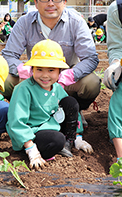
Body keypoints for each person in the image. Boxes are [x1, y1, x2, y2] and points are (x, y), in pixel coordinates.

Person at [1, 0, 100, 124]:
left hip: (65, 81)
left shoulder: (76, 22)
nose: (50, 3)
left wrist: (70, 74)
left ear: (64, 2)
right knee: (5, 80)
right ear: (35, 2)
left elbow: (90, 58)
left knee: (91, 83)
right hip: (34, 76)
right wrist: (25, 71)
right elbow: (9, 55)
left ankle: (74, 109)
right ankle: (27, 108)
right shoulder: (24, 22)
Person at [7, 40, 93, 169]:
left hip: (52, 126)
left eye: (51, 70)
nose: (45, 75)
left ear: (59, 72)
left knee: (70, 103)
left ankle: (71, 141)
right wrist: (31, 148)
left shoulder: (57, 88)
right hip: (33, 134)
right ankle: (36, 148)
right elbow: (16, 121)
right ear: (32, 70)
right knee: (56, 140)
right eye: (39, 69)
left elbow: (72, 112)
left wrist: (78, 135)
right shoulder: (23, 89)